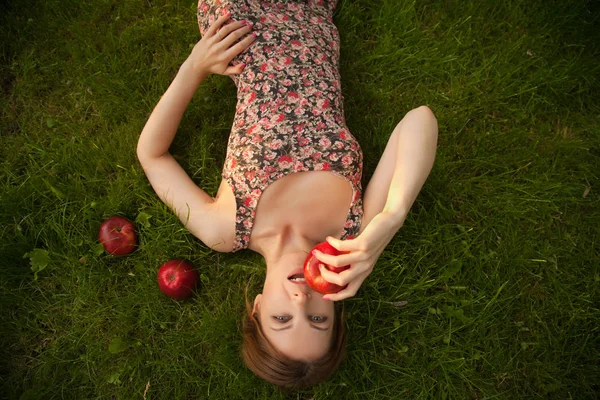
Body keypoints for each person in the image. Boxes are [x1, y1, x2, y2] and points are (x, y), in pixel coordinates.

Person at [136, 0, 438, 389]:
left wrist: (193, 68)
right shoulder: (353, 229)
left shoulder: (224, 229)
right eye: (318, 319)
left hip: (237, 19)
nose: (300, 303)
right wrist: (390, 219)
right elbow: (421, 120)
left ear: (257, 307)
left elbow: (152, 154)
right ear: (336, 308)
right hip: (314, 12)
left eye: (281, 319)